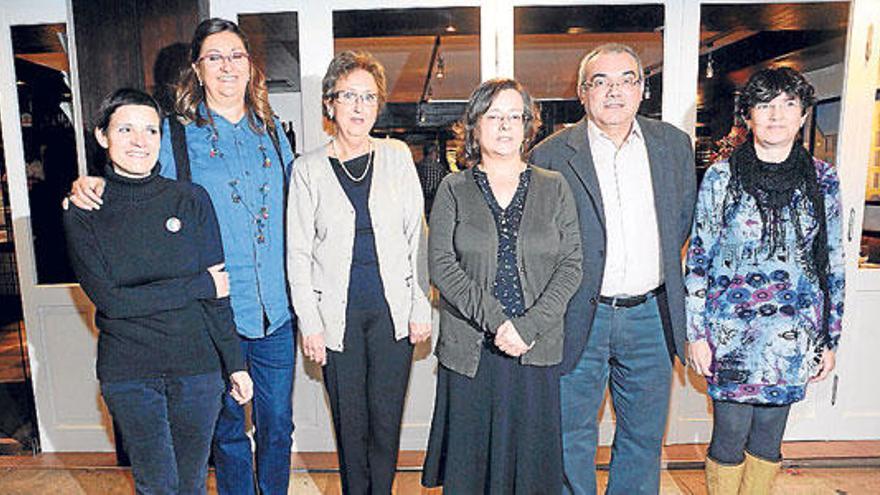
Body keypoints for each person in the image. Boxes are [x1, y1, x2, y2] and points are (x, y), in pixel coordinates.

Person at [67, 18, 296, 495]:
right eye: (214, 57)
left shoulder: (275, 134)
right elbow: (136, 181)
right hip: (211, 317)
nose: (227, 66)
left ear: (250, 66)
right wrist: (90, 183)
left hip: (276, 310)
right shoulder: (172, 136)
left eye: (236, 55)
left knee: (278, 428)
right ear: (198, 69)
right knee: (228, 433)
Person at [63, 88, 253, 494]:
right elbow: (113, 303)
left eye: (150, 130)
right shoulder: (84, 211)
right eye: (125, 128)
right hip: (130, 376)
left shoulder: (191, 199)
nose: (139, 140)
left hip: (198, 371)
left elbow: (218, 298)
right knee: (158, 486)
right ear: (102, 135)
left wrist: (234, 364)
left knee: (192, 484)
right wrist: (196, 284)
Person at [529, 43, 697, 494]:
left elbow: (681, 221)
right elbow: (541, 244)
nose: (614, 91)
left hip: (651, 317)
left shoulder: (674, 146)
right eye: (600, 82)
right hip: (580, 316)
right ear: (582, 93)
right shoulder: (550, 156)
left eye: (626, 79)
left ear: (642, 89)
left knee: (643, 437)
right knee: (570, 435)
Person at [685, 67, 845, 495]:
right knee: (730, 437)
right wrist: (696, 334)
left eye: (788, 104)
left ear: (803, 115)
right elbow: (699, 259)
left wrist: (830, 338)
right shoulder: (722, 177)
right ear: (748, 116)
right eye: (765, 105)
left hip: (794, 336)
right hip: (730, 334)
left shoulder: (823, 179)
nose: (776, 115)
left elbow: (831, 263)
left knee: (769, 439)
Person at [421, 78, 583, 494]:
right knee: (472, 470)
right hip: (472, 350)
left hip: (536, 348)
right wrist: (498, 322)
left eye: (515, 116)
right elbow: (441, 266)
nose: (505, 125)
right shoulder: (453, 189)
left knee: (531, 470)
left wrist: (526, 327)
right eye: (494, 116)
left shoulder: (554, 186)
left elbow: (571, 266)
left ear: (529, 126)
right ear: (474, 125)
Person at [286, 50, 432, 495]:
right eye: (348, 96)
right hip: (336, 320)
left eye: (368, 97)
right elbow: (298, 253)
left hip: (393, 315)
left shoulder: (396, 157)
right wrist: (309, 323)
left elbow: (417, 239)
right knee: (351, 427)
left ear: (378, 105)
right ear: (330, 104)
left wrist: (420, 304)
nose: (358, 106)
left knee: (386, 423)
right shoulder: (307, 169)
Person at [415, 142, 449, 219]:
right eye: (436, 152)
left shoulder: (419, 166)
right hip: (434, 199)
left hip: (421, 198)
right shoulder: (439, 168)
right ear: (433, 153)